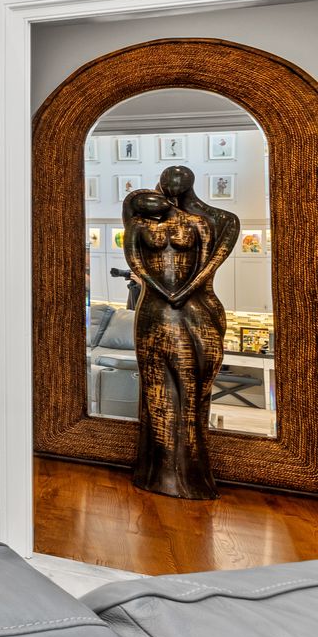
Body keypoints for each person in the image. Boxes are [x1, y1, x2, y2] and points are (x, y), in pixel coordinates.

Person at [122, 183, 221, 498]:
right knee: (156, 387)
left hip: (189, 303)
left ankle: (191, 465)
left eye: (148, 197)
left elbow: (206, 264)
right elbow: (136, 264)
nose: (146, 204)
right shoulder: (139, 227)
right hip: (155, 305)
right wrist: (162, 292)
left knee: (192, 382)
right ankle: (158, 466)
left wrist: (186, 291)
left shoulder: (198, 223)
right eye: (139, 203)